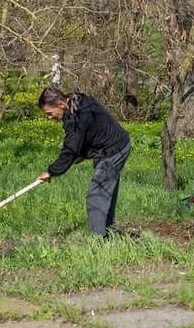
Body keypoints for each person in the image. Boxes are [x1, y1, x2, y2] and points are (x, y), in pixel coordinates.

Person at [36, 86, 131, 237]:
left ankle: (97, 241)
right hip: (114, 145)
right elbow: (89, 132)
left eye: (49, 113)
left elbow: (69, 149)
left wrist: (51, 171)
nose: (49, 117)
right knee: (106, 191)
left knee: (97, 194)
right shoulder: (76, 100)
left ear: (61, 104)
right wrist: (81, 153)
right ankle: (108, 231)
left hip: (113, 150)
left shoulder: (76, 118)